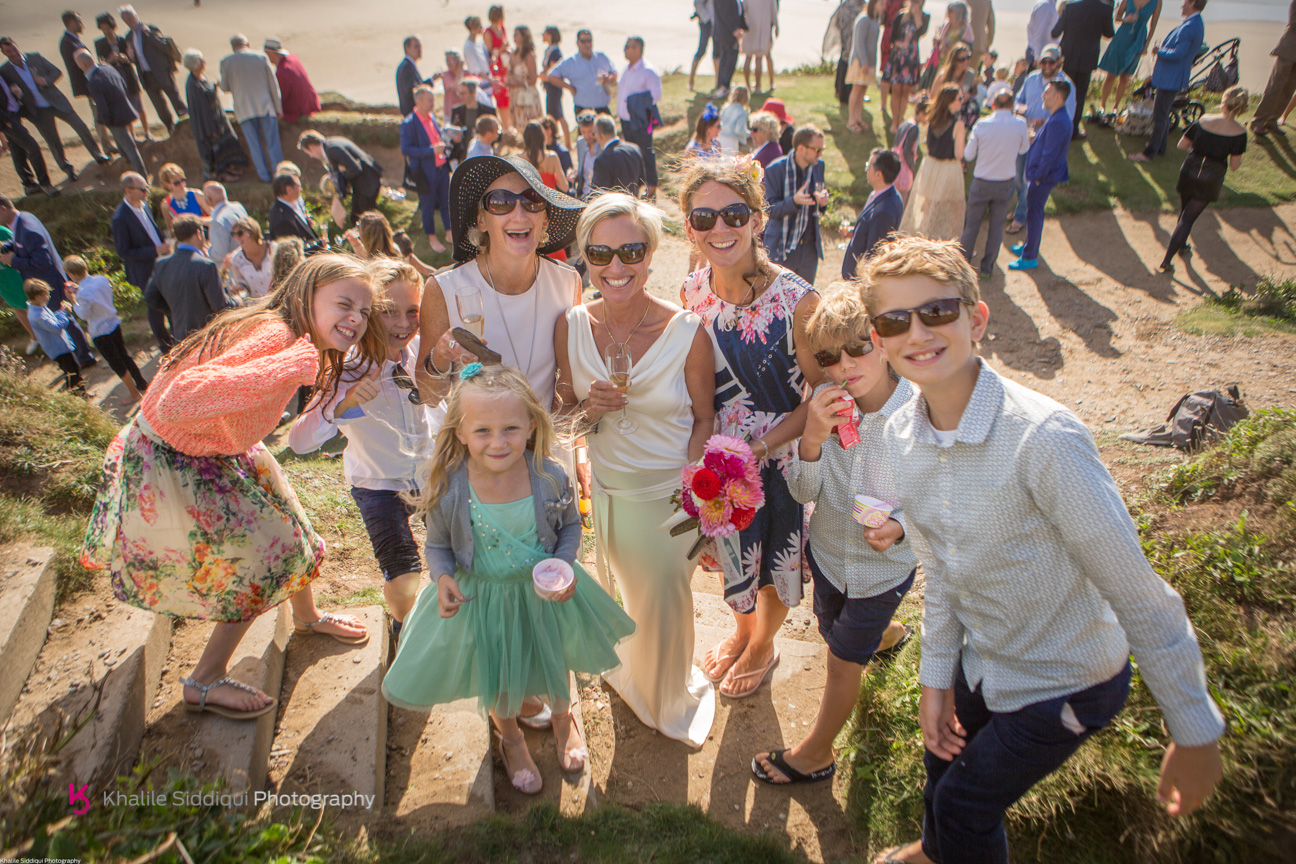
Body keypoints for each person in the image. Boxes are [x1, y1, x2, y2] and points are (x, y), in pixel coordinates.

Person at [860, 234, 1225, 864]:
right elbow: (941, 575)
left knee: (967, 805)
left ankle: (947, 841)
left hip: (1067, 680)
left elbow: (1139, 595)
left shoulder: (1044, 439)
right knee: (941, 770)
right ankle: (934, 849)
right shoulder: (898, 433)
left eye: (937, 312)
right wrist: (934, 681)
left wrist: (1195, 733)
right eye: (895, 320)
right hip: (985, 658)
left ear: (976, 318)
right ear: (879, 338)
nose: (917, 332)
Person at [83, 254, 384, 721]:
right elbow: (179, 397)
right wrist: (286, 367)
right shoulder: (277, 336)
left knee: (294, 529)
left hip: (219, 446)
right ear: (306, 295)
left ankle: (306, 617)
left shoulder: (292, 338)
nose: (356, 319)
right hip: (179, 455)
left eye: (364, 311)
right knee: (270, 555)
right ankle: (203, 680)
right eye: (345, 304)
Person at [382, 363, 633, 792]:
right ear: (459, 432)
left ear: (531, 425)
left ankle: (562, 719)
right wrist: (442, 577)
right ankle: (511, 738)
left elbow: (571, 525)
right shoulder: (451, 486)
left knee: (554, 659)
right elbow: (439, 544)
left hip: (544, 596)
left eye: (511, 429)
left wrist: (566, 563)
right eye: (483, 431)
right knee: (496, 673)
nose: (498, 443)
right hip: (484, 600)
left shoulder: (549, 475)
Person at [553, 192, 717, 747]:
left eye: (631, 250)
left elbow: (704, 418)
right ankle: (640, 674)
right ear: (585, 258)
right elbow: (560, 417)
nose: (616, 267)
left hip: (670, 498)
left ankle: (668, 697)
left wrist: (695, 488)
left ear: (651, 254)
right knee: (631, 595)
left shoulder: (688, 332)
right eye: (601, 254)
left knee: (665, 599)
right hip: (609, 496)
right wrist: (586, 410)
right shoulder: (571, 325)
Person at [751, 282, 912, 786]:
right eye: (829, 357)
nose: (846, 366)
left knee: (841, 662)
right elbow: (803, 493)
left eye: (859, 347)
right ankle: (888, 636)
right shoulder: (824, 400)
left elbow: (943, 501)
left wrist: (902, 526)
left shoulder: (919, 414)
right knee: (829, 626)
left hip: (881, 571)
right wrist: (812, 440)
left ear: (884, 341)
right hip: (825, 554)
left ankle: (816, 754)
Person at [679, 158, 822, 699]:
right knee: (733, 555)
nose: (721, 228)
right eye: (704, 217)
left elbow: (821, 397)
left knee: (778, 561)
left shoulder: (798, 300)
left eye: (734, 213)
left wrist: (760, 447)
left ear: (758, 219)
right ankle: (742, 632)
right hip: (720, 456)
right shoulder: (693, 290)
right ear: (689, 228)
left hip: (780, 457)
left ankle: (765, 643)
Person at [290, 260, 440, 640]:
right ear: (370, 313)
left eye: (412, 312)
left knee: (454, 556)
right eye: (390, 312)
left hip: (429, 475)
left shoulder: (423, 351)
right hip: (377, 484)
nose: (404, 324)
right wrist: (345, 403)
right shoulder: (346, 367)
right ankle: (403, 624)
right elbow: (299, 441)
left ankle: (445, 623)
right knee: (405, 575)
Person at [415, 154, 584, 412]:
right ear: (481, 220)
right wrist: (440, 355)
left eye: (533, 200)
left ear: (545, 219)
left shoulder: (567, 281)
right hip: (480, 448)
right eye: (501, 202)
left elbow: (568, 390)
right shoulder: (443, 288)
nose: (519, 214)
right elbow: (429, 396)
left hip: (544, 445)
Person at [1160, 86, 1248, 272]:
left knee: (1184, 214)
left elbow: (1181, 144)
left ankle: (1177, 250)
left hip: (1190, 168)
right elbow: (1234, 166)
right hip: (1212, 176)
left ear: (1223, 102)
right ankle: (1168, 259)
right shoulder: (1240, 132)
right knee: (1188, 218)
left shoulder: (1204, 120)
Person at [0, 196, 94, 365]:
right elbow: (27, 247)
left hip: (50, 284)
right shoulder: (23, 219)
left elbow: (42, 262)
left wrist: (12, 261)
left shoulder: (27, 229)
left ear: (2, 209)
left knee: (66, 320)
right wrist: (11, 248)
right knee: (63, 319)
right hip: (47, 282)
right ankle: (79, 354)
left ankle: (85, 357)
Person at [0, 36, 109, 181]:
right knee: (53, 142)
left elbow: (56, 72)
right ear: (4, 53)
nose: (13, 52)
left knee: (80, 126)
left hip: (57, 102)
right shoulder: (6, 71)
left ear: (17, 45)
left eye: (13, 48)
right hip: (37, 111)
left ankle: (98, 155)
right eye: (8, 51)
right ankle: (67, 169)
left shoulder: (35, 57)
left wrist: (46, 80)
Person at [959, 84, 1029, 277]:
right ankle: (987, 268)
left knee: (972, 224)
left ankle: (962, 267)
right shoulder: (1020, 124)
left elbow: (968, 154)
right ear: (1013, 105)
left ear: (992, 104)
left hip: (982, 181)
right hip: (1005, 183)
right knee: (996, 227)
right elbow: (1024, 150)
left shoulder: (982, 125)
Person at [1008, 44, 1074, 233]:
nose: (1046, 65)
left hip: (1042, 140)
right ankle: (1021, 207)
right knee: (1018, 178)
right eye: (1043, 61)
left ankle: (1021, 216)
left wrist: (1040, 123)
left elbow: (1065, 117)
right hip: (1024, 136)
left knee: (1029, 180)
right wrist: (1020, 111)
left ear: (1059, 62)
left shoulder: (1064, 86)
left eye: (1050, 62)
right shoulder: (1031, 78)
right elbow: (1018, 101)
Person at [1129, 0, 1206, 163]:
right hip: (1172, 76)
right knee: (1162, 114)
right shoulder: (1195, 23)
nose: (1181, 5)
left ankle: (1148, 153)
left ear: (1192, 3)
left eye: (1184, 2)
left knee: (1160, 116)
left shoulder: (1190, 27)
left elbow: (1178, 54)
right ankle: (1160, 148)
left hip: (1171, 77)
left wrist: (1159, 51)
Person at [64, 254, 148, 401]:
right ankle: (141, 383)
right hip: (113, 323)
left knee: (116, 363)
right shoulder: (101, 279)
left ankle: (134, 394)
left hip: (100, 331)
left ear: (71, 274)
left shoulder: (82, 293)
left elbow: (84, 315)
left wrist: (72, 300)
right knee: (124, 355)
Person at [145, 214, 235, 346]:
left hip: (181, 337)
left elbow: (150, 297)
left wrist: (175, 311)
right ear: (198, 233)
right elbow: (220, 306)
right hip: (207, 338)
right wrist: (238, 300)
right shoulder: (205, 266)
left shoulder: (161, 264)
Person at [1009, 79, 1072, 270]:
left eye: (1047, 93)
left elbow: (1049, 155)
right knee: (1033, 212)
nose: (1043, 95)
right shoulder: (1058, 117)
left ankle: (1029, 256)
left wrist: (1036, 176)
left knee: (1034, 214)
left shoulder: (1057, 122)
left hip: (1042, 178)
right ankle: (1029, 247)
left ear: (1058, 96)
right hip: (1043, 176)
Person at [900, 85, 967, 241]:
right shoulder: (958, 124)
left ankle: (924, 237)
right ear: (950, 101)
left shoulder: (932, 119)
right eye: (959, 99)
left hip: (930, 166)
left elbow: (929, 146)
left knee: (928, 206)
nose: (961, 102)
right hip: (949, 168)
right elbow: (959, 154)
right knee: (955, 207)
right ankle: (952, 242)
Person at [765, 125, 830, 284]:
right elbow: (769, 211)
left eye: (822, 149)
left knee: (806, 304)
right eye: (817, 150)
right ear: (801, 149)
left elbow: (818, 203)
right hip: (781, 248)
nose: (820, 154)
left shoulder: (818, 166)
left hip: (808, 250)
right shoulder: (775, 169)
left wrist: (822, 203)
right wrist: (793, 201)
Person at [110, 172, 170, 346]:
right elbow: (124, 251)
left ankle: (178, 336)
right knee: (155, 308)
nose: (147, 191)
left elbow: (151, 228)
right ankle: (165, 345)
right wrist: (154, 250)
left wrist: (163, 239)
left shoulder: (144, 205)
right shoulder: (120, 218)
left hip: (161, 261)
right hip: (145, 269)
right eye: (143, 189)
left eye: (147, 187)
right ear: (128, 190)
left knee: (170, 299)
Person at [220, 35, 283, 184]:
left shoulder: (226, 62)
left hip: (244, 110)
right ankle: (280, 174)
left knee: (255, 146)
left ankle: (264, 176)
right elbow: (273, 85)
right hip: (266, 107)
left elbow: (224, 87)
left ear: (233, 46)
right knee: (272, 143)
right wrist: (278, 107)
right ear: (247, 43)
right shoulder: (260, 57)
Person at [1051, 0, 1115, 139]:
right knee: (1079, 96)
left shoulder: (1070, 7)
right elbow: (1109, 33)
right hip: (1087, 58)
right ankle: (1073, 132)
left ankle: (1057, 128)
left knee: (1062, 93)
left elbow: (1055, 32)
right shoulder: (1105, 9)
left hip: (1068, 57)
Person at [182, 49, 248, 183]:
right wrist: (211, 129)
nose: (204, 62)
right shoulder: (192, 85)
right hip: (209, 126)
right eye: (201, 60)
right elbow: (202, 109)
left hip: (217, 121)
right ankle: (221, 175)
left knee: (227, 146)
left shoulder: (200, 78)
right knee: (215, 152)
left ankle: (229, 169)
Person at [118, 5, 186, 134]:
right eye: (125, 20)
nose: (129, 21)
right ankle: (171, 130)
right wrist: (130, 57)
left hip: (162, 73)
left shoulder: (151, 29)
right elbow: (134, 59)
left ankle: (187, 126)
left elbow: (165, 47)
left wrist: (148, 34)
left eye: (130, 18)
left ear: (135, 15)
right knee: (160, 108)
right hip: (146, 76)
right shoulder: (128, 37)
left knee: (176, 101)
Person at [76, 49, 145, 175]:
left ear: (83, 65)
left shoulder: (94, 82)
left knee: (131, 148)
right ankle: (126, 160)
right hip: (126, 109)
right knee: (125, 144)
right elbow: (123, 84)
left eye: (78, 64)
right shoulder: (107, 68)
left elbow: (101, 107)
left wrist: (105, 121)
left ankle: (143, 178)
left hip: (115, 118)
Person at [401, 85, 452, 254]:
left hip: (441, 168)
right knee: (428, 205)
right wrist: (431, 151)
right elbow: (407, 149)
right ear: (419, 101)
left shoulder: (431, 116)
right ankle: (432, 237)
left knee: (446, 201)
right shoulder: (409, 123)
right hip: (425, 172)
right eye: (430, 100)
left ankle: (449, 232)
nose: (433, 103)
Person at [298, 130, 384, 226]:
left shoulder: (332, 149)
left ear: (311, 147)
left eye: (309, 153)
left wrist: (341, 177)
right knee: (357, 218)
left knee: (366, 220)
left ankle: (375, 239)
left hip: (367, 183)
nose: (311, 156)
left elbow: (355, 168)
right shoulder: (330, 145)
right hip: (364, 183)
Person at [60, 11, 115, 157]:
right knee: (99, 114)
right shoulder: (68, 42)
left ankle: (108, 145)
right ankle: (106, 147)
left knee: (100, 112)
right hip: (89, 84)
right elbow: (79, 66)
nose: (82, 24)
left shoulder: (73, 40)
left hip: (91, 83)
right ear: (71, 22)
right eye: (79, 21)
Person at [843, 149, 904, 278]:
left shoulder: (883, 211)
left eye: (869, 166)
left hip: (860, 279)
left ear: (878, 175)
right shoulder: (888, 195)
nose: (866, 169)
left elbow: (874, 254)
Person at [1097, 0, 1162, 118]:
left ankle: (1115, 107)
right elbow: (1117, 17)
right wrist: (1125, 19)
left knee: (1125, 76)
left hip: (1139, 38)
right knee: (1111, 74)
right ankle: (1102, 106)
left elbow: (1153, 25)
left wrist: (1146, 45)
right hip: (1122, 36)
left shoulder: (1157, 2)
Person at [618, 36, 663, 200]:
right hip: (626, 120)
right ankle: (636, 184)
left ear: (638, 49)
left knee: (645, 152)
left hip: (641, 120)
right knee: (632, 153)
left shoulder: (647, 71)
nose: (625, 49)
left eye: (628, 46)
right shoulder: (627, 69)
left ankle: (651, 185)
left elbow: (656, 95)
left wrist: (637, 103)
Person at [94, 12, 149, 143]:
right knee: (124, 106)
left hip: (128, 76)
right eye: (102, 28)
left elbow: (132, 57)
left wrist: (126, 58)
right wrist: (109, 60)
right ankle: (133, 136)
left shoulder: (123, 40)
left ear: (113, 27)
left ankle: (147, 133)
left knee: (138, 106)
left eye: (107, 28)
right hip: (114, 80)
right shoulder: (99, 44)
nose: (105, 31)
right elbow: (100, 64)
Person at [24, 279, 85, 393]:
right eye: (46, 294)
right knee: (73, 372)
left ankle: (79, 394)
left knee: (72, 371)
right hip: (58, 349)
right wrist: (64, 313)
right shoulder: (38, 315)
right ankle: (79, 395)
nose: (49, 296)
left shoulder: (38, 307)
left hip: (59, 346)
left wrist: (60, 312)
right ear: (38, 296)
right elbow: (56, 327)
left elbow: (50, 321)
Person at [2, 73, 57, 198]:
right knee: (33, 147)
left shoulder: (2, 74)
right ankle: (45, 184)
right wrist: (8, 121)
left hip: (14, 114)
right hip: (7, 120)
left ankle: (29, 185)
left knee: (17, 149)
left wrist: (16, 96)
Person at [882, 0, 931, 134]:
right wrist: (899, 44)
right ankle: (894, 122)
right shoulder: (900, 15)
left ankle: (900, 119)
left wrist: (916, 15)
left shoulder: (925, 17)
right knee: (896, 91)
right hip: (898, 58)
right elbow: (892, 37)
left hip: (911, 60)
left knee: (905, 93)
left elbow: (921, 32)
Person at [1249, 0, 1296, 136]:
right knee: (1275, 86)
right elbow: (1294, 22)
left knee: (1289, 88)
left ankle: (1272, 119)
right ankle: (1258, 121)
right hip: (1288, 49)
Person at [548, 30, 615, 116]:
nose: (587, 44)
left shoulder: (601, 57)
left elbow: (614, 73)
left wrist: (608, 78)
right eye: (583, 41)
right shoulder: (571, 61)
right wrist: (569, 87)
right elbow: (551, 76)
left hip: (602, 109)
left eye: (589, 41)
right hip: (583, 110)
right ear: (577, 43)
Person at [0, 222, 37, 350]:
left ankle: (49, 333)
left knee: (32, 304)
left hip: (16, 274)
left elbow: (19, 249)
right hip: (3, 280)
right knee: (17, 308)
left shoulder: (3, 232)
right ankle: (34, 337)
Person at [263, 38, 318, 125]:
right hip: (311, 103)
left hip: (299, 110)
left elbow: (281, 97)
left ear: (270, 53)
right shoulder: (292, 59)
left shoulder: (282, 71)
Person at [591, 113, 646, 198]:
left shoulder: (602, 160)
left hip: (614, 208)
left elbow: (597, 194)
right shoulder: (634, 149)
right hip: (633, 204)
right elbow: (642, 180)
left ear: (599, 135)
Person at [846, 2, 882, 133]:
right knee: (856, 89)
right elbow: (859, 43)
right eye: (881, 3)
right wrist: (864, 61)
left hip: (870, 62)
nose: (883, 6)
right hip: (860, 62)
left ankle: (858, 117)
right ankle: (851, 120)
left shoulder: (875, 20)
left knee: (863, 90)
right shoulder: (863, 19)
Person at [825, 0, 867, 106]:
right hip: (850, 36)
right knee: (849, 60)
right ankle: (845, 93)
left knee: (845, 59)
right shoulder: (854, 6)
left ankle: (841, 91)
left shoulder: (846, 5)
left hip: (847, 33)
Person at [448, 78, 498, 164]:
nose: (460, 96)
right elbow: (452, 136)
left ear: (473, 92)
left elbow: (497, 135)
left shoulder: (488, 111)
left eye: (463, 93)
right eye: (459, 93)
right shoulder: (457, 111)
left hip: (484, 157)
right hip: (463, 158)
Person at [227, 216, 276, 300]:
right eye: (233, 234)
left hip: (277, 302)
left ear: (252, 232)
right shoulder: (236, 259)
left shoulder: (273, 249)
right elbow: (242, 285)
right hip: (256, 307)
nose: (237, 238)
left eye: (240, 233)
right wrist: (239, 288)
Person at [204, 182, 248, 268]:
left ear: (209, 199)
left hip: (232, 271)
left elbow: (220, 254)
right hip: (247, 261)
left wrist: (206, 252)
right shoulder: (238, 206)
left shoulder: (217, 222)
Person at [267, 172, 319, 245]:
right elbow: (290, 248)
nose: (301, 189)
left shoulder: (291, 204)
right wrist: (318, 245)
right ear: (289, 189)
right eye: (298, 186)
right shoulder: (280, 217)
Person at [158, 163, 211, 232]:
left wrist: (196, 221)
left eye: (183, 180)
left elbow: (214, 217)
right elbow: (170, 229)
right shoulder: (166, 204)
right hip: (185, 238)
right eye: (176, 183)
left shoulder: (196, 194)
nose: (181, 184)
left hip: (203, 233)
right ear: (167, 185)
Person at [892, 97, 928, 200]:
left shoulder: (906, 122)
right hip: (904, 167)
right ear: (922, 114)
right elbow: (907, 150)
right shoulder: (914, 128)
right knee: (903, 198)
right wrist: (912, 168)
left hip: (895, 164)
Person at [484, 6, 513, 133]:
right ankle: (505, 125)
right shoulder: (488, 32)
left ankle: (508, 124)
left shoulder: (502, 28)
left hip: (504, 64)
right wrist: (502, 48)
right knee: (500, 95)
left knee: (507, 95)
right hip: (495, 66)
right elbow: (491, 52)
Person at [742, 0, 780, 93]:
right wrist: (776, 26)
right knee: (758, 58)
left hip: (750, 26)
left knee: (749, 57)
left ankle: (748, 86)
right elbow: (773, 12)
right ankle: (757, 87)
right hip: (763, 28)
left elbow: (743, 10)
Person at [712, 0, 746, 98]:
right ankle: (724, 86)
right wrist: (734, 29)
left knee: (726, 57)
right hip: (726, 32)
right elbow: (726, 13)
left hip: (724, 32)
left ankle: (723, 85)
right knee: (729, 57)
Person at [508, 26, 541, 128]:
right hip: (514, 94)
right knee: (516, 124)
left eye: (516, 34)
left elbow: (533, 79)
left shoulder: (528, 55)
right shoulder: (513, 53)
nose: (514, 37)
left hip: (527, 95)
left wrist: (519, 83)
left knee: (529, 125)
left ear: (523, 37)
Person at [396, 35, 429, 118]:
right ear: (407, 49)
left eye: (420, 46)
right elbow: (414, 91)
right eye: (416, 47)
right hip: (413, 115)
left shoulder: (408, 65)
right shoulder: (407, 67)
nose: (419, 49)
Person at [688, 0, 717, 92]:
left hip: (717, 23)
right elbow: (697, 3)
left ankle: (718, 82)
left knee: (717, 52)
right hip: (706, 23)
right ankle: (691, 80)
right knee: (701, 51)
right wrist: (706, 19)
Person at [573, 111, 602, 198]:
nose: (587, 136)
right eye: (583, 132)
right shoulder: (580, 143)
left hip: (600, 195)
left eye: (590, 131)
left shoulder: (602, 144)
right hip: (584, 195)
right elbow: (582, 170)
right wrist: (575, 174)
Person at [718, 86, 750, 156]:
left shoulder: (726, 108)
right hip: (731, 140)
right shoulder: (742, 111)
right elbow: (739, 130)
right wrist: (749, 134)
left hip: (720, 137)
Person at [1026, 0, 1059, 67]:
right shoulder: (1045, 6)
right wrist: (1037, 58)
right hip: (1039, 55)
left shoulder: (1050, 5)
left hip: (1044, 54)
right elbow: (1038, 33)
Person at [965, 0, 996, 70]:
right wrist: (987, 44)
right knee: (971, 73)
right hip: (978, 44)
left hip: (962, 41)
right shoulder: (987, 2)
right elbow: (991, 24)